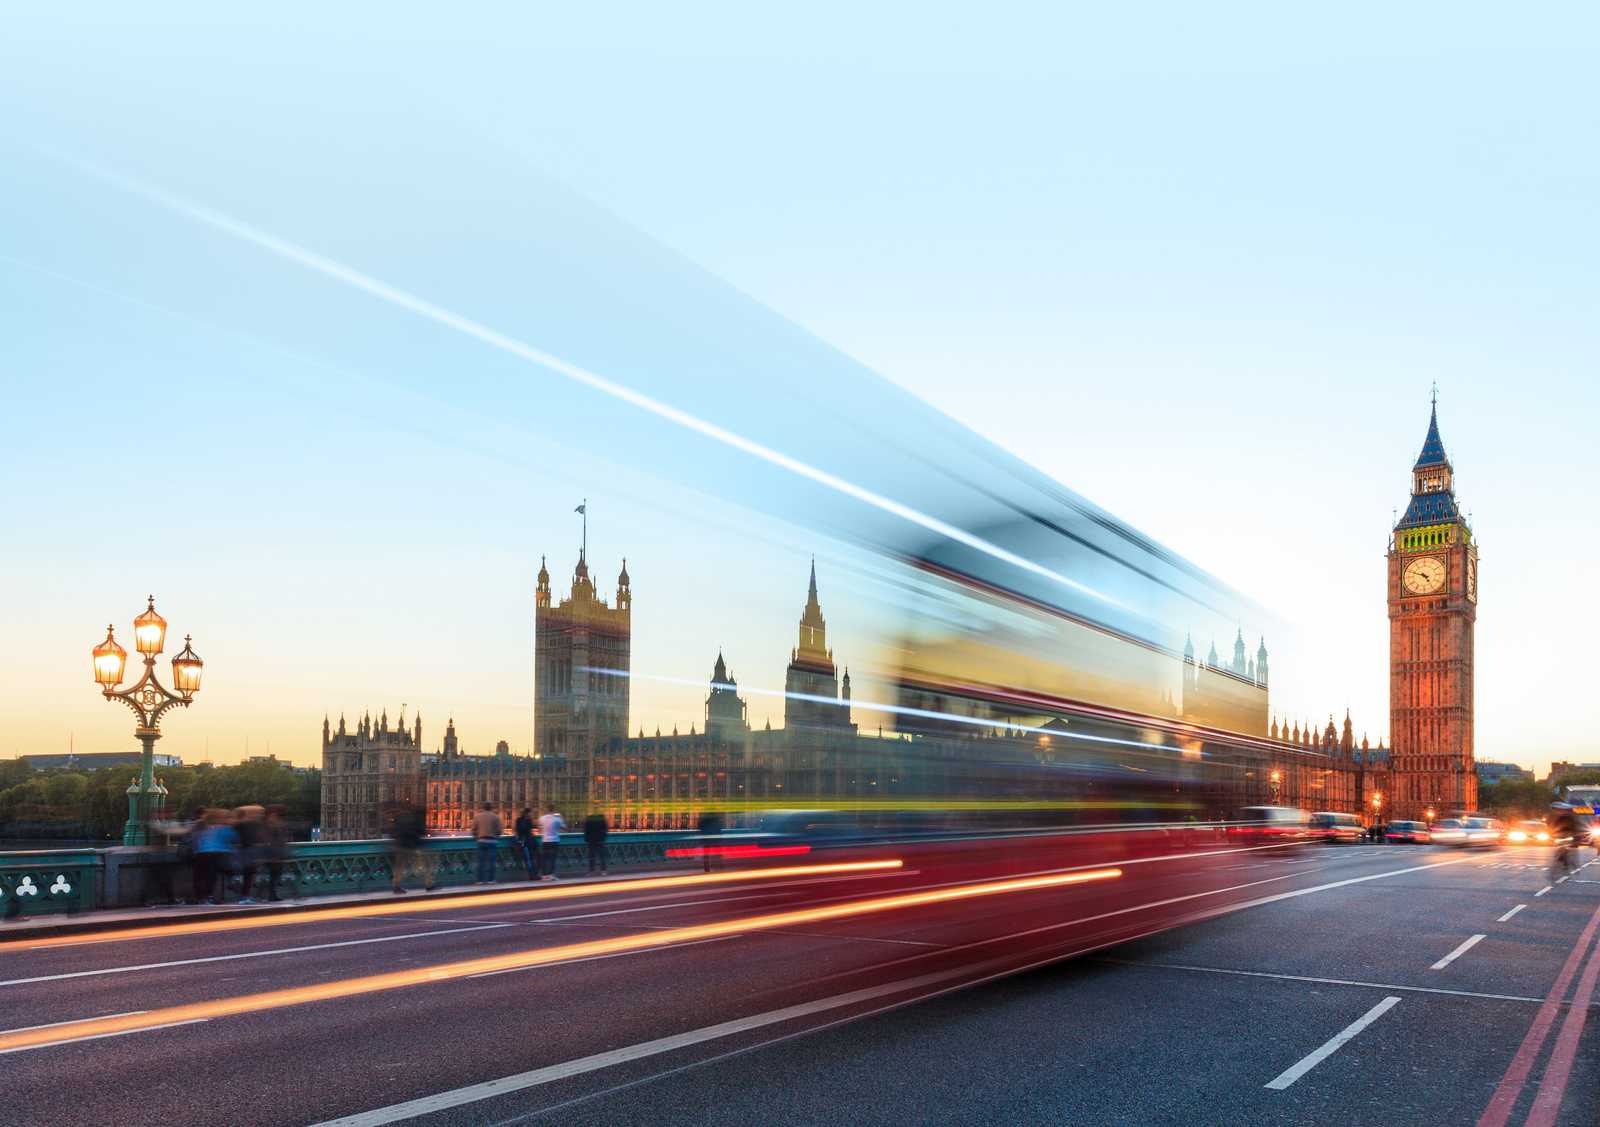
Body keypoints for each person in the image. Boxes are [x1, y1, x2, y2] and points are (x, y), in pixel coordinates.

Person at [193, 809, 241, 904]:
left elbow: (196, 840)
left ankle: (203, 897)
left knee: (204, 876)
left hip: (201, 853)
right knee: (215, 875)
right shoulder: (225, 829)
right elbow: (235, 838)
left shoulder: (204, 828)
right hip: (219, 854)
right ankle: (231, 881)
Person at [390, 800, 433, 893]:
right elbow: (420, 831)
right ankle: (428, 884)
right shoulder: (415, 818)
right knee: (425, 864)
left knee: (399, 867)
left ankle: (396, 886)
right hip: (413, 846)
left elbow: (393, 832)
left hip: (400, 845)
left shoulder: (399, 817)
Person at [235, 805, 266, 904]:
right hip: (249, 851)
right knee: (249, 874)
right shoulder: (251, 824)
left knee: (248, 874)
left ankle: (245, 896)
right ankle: (245, 896)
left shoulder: (238, 825)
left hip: (245, 850)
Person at [263, 804, 293, 901]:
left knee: (275, 874)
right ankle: (271, 894)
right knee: (274, 874)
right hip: (274, 853)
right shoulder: (271, 824)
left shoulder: (272, 823)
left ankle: (272, 894)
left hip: (277, 852)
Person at [471, 803, 503, 884]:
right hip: (492, 841)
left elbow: (473, 830)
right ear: (491, 808)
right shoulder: (496, 817)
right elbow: (499, 830)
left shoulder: (477, 816)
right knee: (492, 862)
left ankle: (480, 880)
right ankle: (491, 879)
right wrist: (496, 837)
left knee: (480, 862)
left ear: (483, 808)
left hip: (481, 841)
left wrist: (477, 838)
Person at [1551, 803, 1580, 879]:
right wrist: (1552, 834)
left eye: (1563, 810)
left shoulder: (1571, 818)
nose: (1561, 812)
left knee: (1566, 850)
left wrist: (1575, 837)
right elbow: (1553, 827)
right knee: (1559, 849)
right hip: (1560, 836)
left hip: (1568, 836)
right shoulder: (1559, 818)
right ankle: (1562, 858)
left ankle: (1567, 863)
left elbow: (1574, 828)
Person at [537, 803, 566, 881]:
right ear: (554, 809)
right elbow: (564, 827)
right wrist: (560, 817)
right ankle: (551, 875)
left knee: (544, 858)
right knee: (552, 858)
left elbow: (539, 826)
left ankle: (544, 875)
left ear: (547, 809)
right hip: (554, 840)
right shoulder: (557, 819)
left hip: (545, 840)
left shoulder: (542, 818)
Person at [514, 806, 538, 880]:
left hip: (521, 842)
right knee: (532, 858)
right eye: (530, 813)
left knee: (527, 859)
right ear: (528, 813)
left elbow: (517, 830)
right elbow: (529, 830)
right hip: (528, 841)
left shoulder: (518, 820)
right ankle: (533, 875)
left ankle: (531, 874)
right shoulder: (528, 820)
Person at [584, 810, 609, 875]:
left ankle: (591, 870)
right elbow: (606, 828)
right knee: (601, 855)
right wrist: (603, 836)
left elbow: (585, 829)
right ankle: (603, 870)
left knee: (592, 856)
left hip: (592, 839)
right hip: (600, 839)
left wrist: (587, 838)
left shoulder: (589, 818)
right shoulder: (602, 818)